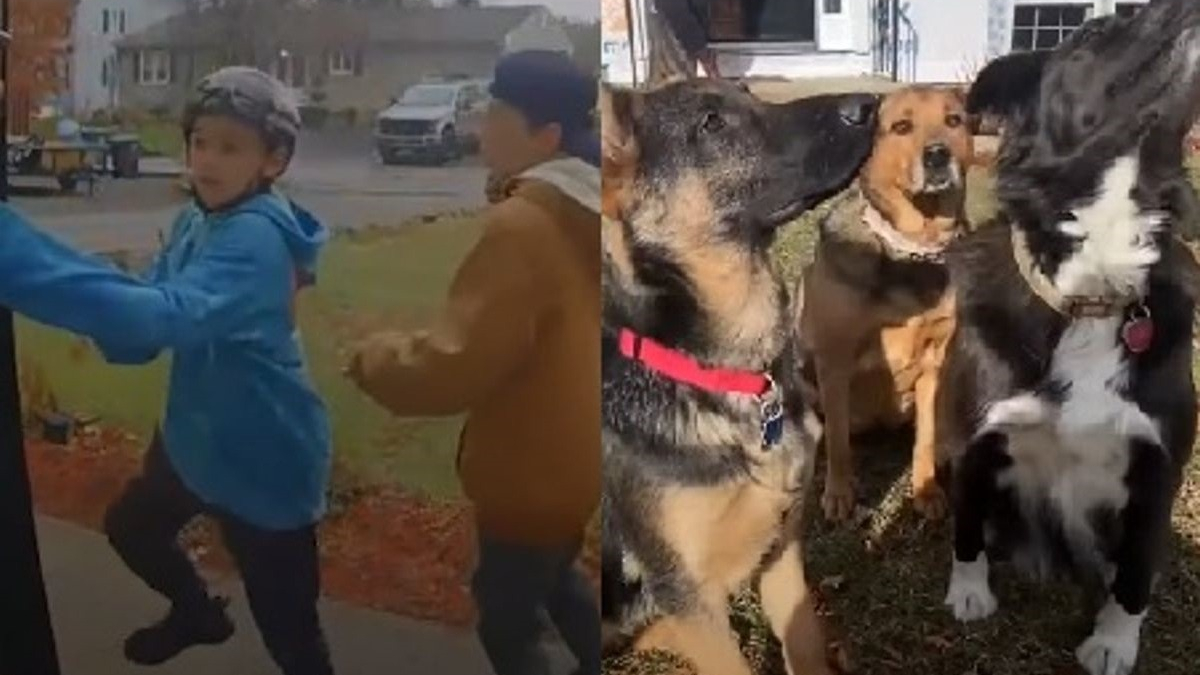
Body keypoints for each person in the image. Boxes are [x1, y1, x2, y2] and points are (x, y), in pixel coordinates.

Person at [0, 67, 335, 675]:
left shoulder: (257, 241)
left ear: (274, 161)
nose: (207, 160)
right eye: (200, 142)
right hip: (194, 439)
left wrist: (23, 264)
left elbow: (163, 316)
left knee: (291, 632)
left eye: (230, 147)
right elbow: (145, 325)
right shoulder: (195, 221)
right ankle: (197, 612)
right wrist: (113, 322)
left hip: (266, 459)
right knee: (132, 528)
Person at [344, 49, 600, 675]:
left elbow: (455, 364)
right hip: (583, 460)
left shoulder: (525, 228)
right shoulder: (596, 208)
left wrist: (370, 357)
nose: (481, 127)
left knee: (508, 623)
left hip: (532, 473)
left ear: (547, 136)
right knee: (557, 582)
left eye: (497, 114)